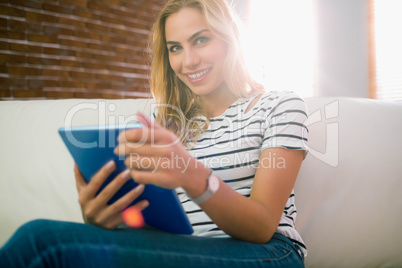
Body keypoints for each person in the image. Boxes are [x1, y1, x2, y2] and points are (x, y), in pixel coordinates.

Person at [0, 0, 308, 267]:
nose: (188, 61)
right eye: (175, 48)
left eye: (200, 40)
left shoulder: (278, 106)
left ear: (231, 40)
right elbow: (152, 227)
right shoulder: (162, 123)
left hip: (268, 254)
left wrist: (190, 174)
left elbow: (262, 226)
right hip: (182, 251)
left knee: (44, 242)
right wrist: (108, 220)